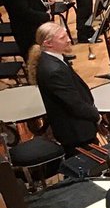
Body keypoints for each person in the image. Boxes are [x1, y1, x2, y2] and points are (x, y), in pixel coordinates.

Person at [29, 22, 98, 155]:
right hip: (76, 132)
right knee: (86, 164)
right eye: (62, 38)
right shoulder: (53, 70)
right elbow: (74, 104)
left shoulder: (53, 59)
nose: (68, 40)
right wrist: (96, 115)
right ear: (48, 44)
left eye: (66, 35)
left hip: (77, 126)